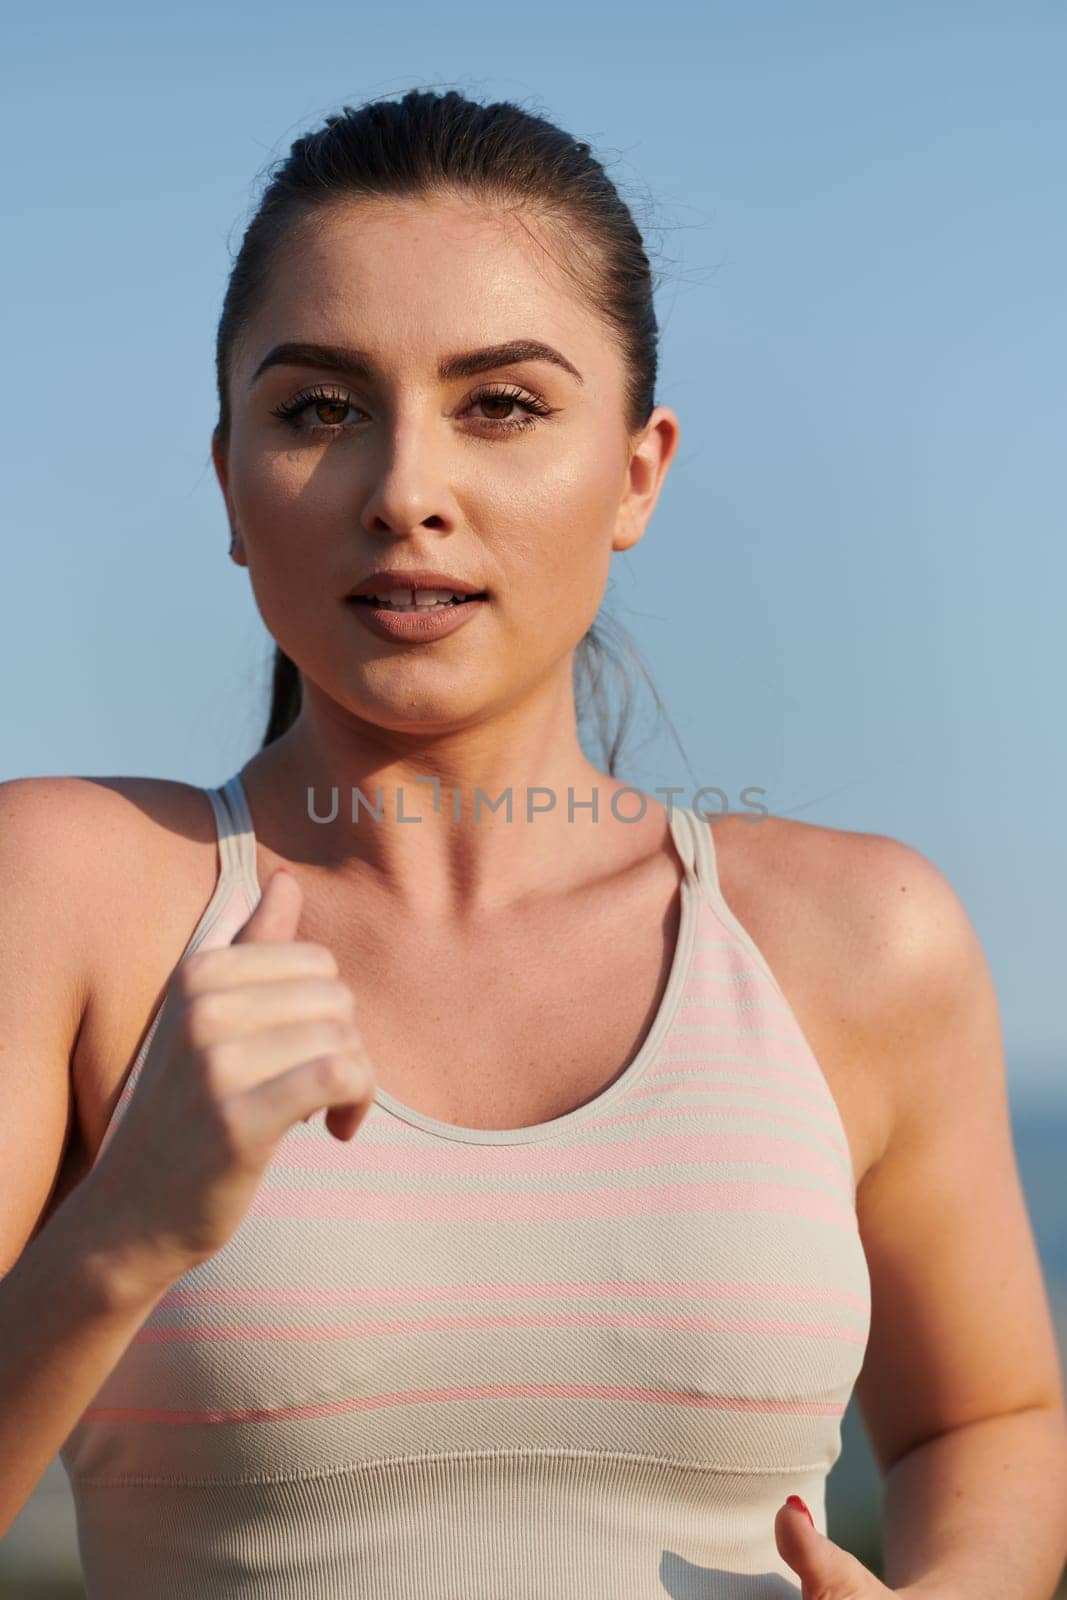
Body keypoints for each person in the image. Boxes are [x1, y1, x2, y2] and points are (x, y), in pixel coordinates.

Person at [1, 87, 1065, 1600]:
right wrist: (121, 1233)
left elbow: (987, 1421)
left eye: (499, 405)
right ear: (228, 479)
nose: (407, 494)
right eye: (318, 410)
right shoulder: (65, 897)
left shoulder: (862, 938)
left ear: (639, 472)